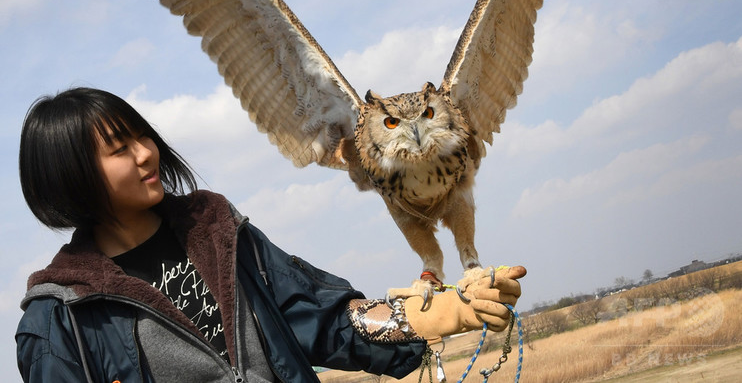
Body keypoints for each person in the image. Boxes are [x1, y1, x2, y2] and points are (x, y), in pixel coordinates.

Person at [16, 87, 526, 382]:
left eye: (139, 135)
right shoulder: (62, 318)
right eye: (118, 149)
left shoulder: (217, 232)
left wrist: (443, 311)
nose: (146, 152)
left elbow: (323, 319)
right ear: (72, 176)